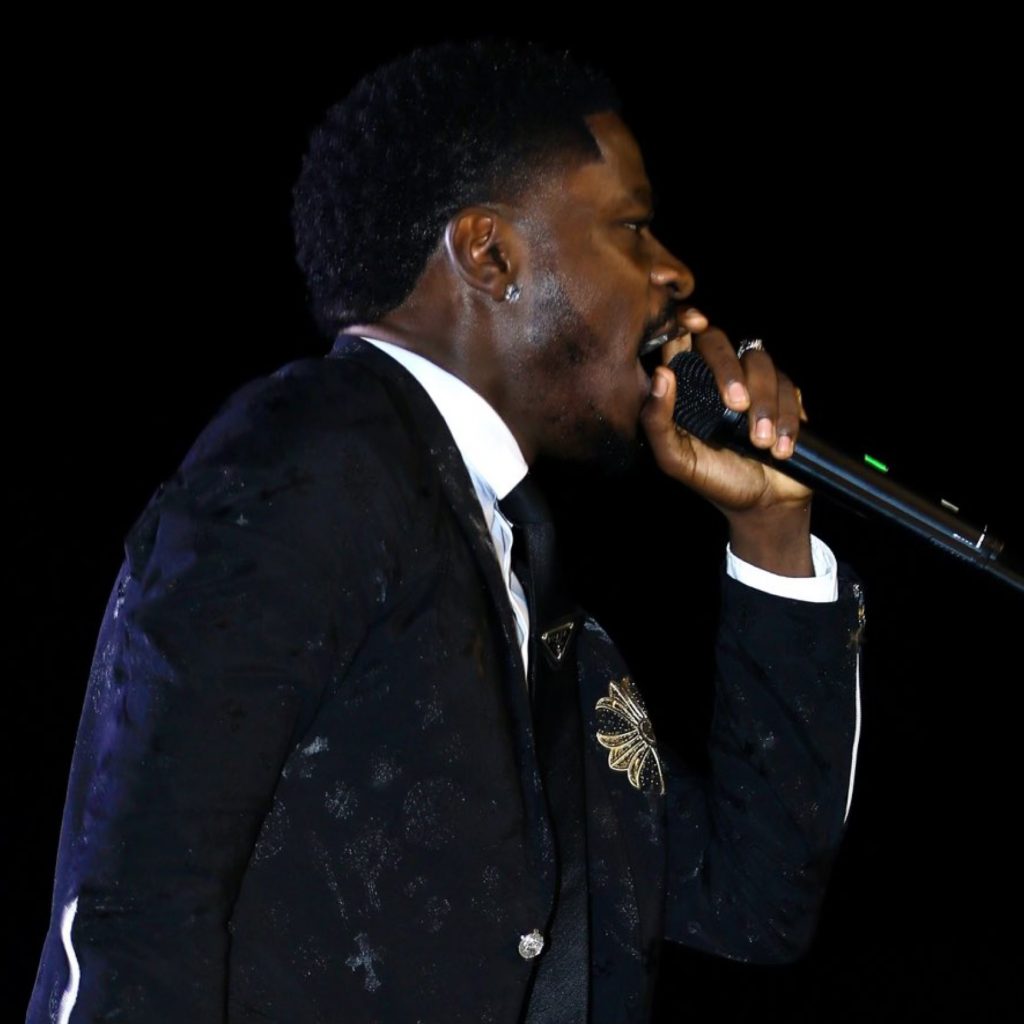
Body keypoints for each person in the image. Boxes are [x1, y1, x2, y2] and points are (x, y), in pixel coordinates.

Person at [28, 38, 864, 1024]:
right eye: (633, 227)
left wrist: (772, 527)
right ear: (490, 253)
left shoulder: (531, 601)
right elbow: (133, 911)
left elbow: (755, 898)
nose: (674, 272)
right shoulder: (314, 455)